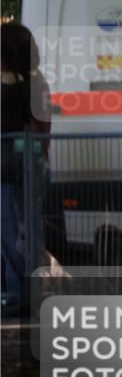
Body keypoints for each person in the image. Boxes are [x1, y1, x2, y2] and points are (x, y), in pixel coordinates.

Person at [1, 22, 50, 315]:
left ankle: (22, 296)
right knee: (29, 231)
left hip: (11, 166)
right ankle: (33, 294)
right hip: (36, 163)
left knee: (10, 232)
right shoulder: (38, 81)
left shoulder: (8, 87)